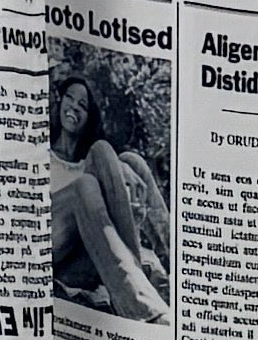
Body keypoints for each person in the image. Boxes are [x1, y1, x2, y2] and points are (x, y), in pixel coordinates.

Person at [51, 58, 171, 318]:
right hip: (52, 246)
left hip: (87, 258)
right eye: (69, 98)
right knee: (93, 170)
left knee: (131, 160)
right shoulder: (42, 153)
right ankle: (140, 276)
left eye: (83, 105)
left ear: (90, 117)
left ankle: (174, 257)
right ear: (59, 101)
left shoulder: (87, 165)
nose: (73, 107)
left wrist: (120, 168)